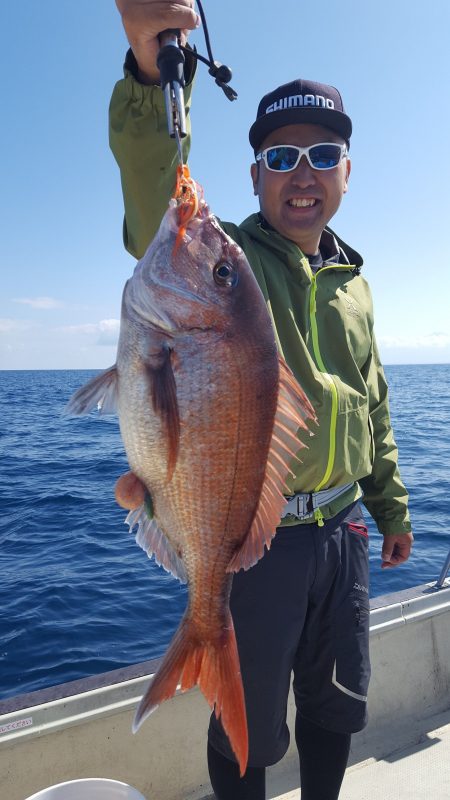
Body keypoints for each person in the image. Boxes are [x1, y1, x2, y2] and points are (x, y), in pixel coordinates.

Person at [111, 2, 414, 798]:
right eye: (280, 159)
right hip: (262, 541)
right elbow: (154, 203)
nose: (302, 173)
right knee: (247, 726)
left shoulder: (357, 285)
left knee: (336, 710)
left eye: (323, 153)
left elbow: (372, 405)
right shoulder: (230, 264)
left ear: (348, 171)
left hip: (345, 531)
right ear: (254, 179)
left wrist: (392, 508)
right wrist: (151, 76)